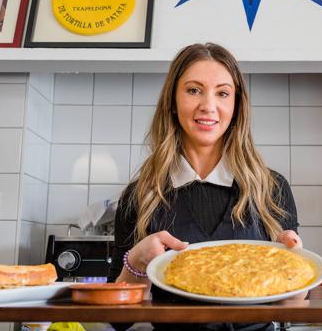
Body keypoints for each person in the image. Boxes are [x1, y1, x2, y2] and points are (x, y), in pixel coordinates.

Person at [109, 43, 303, 331]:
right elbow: (117, 321)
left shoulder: (271, 188)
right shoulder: (140, 195)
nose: (208, 106)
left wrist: (295, 263)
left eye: (223, 93)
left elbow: (292, 309)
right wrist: (136, 262)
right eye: (193, 90)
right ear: (172, 102)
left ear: (236, 107)